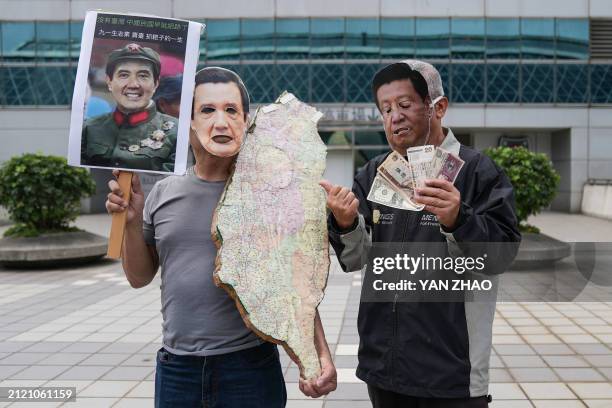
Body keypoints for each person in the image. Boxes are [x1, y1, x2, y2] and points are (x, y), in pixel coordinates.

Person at [105, 67, 337, 407]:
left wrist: (318, 356)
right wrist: (129, 220)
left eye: (232, 111)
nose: (221, 121)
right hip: (177, 369)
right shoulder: (162, 193)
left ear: (246, 123)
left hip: (249, 368)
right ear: (189, 124)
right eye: (207, 110)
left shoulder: (268, 194)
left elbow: (295, 285)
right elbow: (139, 277)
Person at [321, 60, 521, 407]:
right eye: (385, 109)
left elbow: (499, 257)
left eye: (404, 104)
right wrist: (344, 223)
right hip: (384, 367)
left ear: (438, 107)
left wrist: (458, 219)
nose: (393, 116)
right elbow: (355, 260)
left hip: (451, 373)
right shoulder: (374, 173)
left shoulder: (476, 172)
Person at [82, 43, 178, 172]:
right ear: (109, 82)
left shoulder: (176, 132)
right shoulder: (89, 128)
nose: (133, 84)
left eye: (143, 75)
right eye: (123, 75)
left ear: (156, 84)